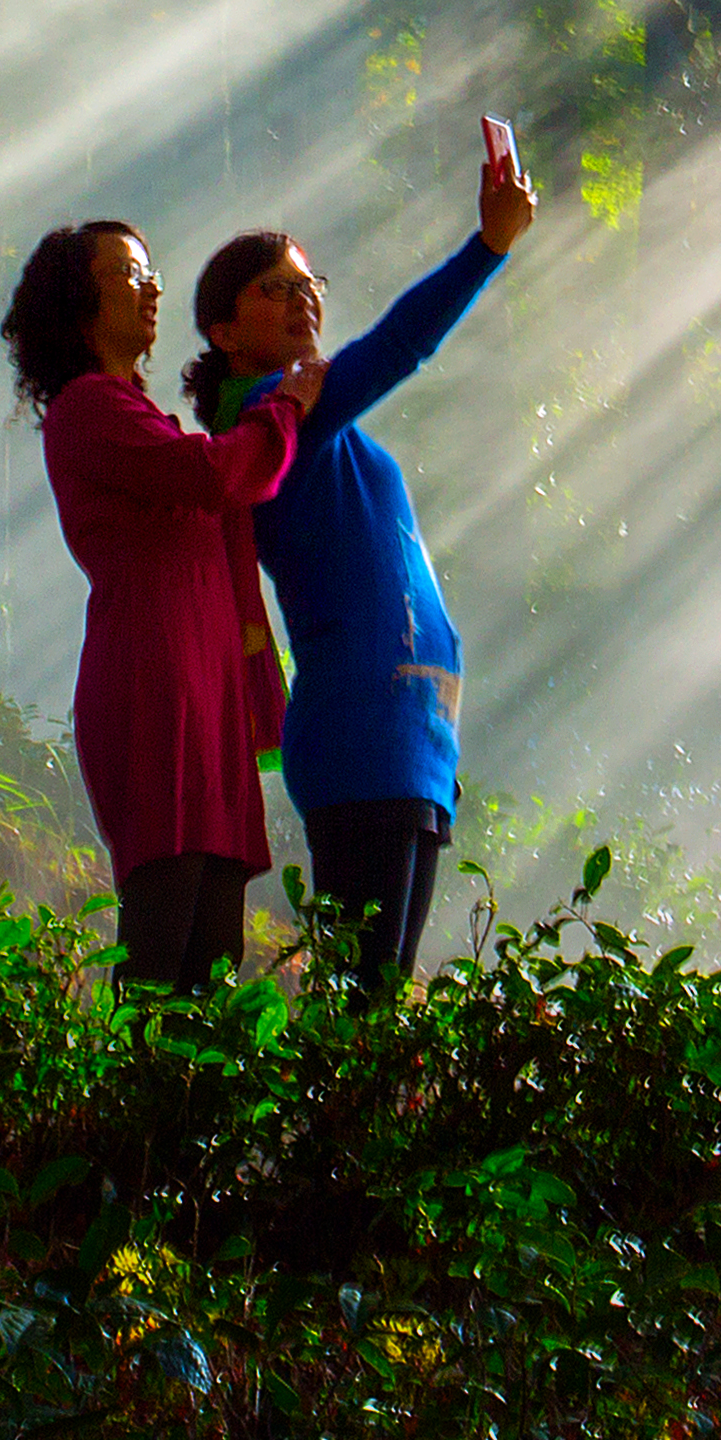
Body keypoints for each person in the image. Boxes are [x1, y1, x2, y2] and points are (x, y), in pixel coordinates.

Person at [185, 118, 545, 982]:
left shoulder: (312, 415)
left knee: (379, 1008)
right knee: (363, 1009)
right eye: (273, 289)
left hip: (410, 739)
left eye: (309, 283)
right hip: (359, 737)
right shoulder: (268, 416)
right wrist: (486, 248)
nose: (301, 297)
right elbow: (397, 348)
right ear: (226, 333)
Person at [7, 217, 319, 989]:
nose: (150, 288)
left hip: (202, 694)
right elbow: (213, 476)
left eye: (150, 273)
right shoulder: (87, 409)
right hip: (153, 687)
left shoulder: (139, 412)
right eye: (126, 272)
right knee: (162, 935)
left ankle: (182, 1110)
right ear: (79, 300)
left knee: (214, 949)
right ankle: (128, 1107)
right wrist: (286, 410)